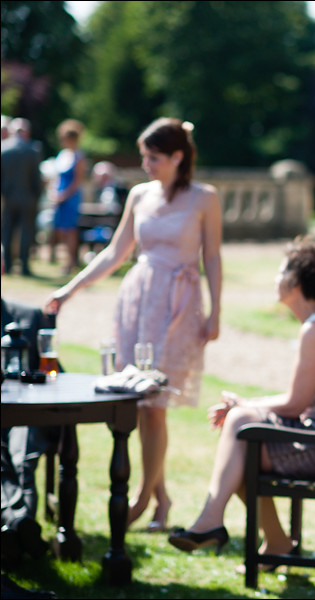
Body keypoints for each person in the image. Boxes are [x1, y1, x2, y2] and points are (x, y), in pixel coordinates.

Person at [44, 117, 223, 534]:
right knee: (137, 403)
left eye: (153, 157)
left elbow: (212, 257)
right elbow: (115, 252)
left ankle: (143, 498)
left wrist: (216, 311)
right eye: (144, 156)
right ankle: (161, 501)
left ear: (178, 157)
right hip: (138, 301)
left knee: (155, 404)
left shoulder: (204, 198)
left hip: (178, 305)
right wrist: (70, 289)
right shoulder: (140, 194)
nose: (145, 164)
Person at [168, 237, 315, 559]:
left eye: (281, 272)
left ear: (295, 282)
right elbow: (301, 402)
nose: (276, 279)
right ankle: (265, 539)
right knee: (240, 434)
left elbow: (296, 404)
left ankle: (212, 522)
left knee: (240, 441)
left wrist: (245, 407)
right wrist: (246, 408)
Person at [1, 245, 54, 565]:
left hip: (25, 414)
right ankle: (21, 526)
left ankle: (12, 528)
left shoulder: (28, 317)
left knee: (22, 456)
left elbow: (53, 375)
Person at [1, 118, 44, 277]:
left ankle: (8, 265)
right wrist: (37, 195)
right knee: (26, 232)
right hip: (28, 199)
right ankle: (24, 266)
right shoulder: (32, 150)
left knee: (7, 231)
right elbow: (36, 178)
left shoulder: (3, 150)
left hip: (9, 198)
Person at [49, 119, 87, 275]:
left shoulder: (79, 156)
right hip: (60, 196)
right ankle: (63, 260)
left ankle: (71, 262)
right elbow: (57, 177)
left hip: (70, 197)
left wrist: (64, 195)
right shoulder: (63, 155)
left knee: (70, 230)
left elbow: (78, 180)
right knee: (59, 229)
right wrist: (54, 192)